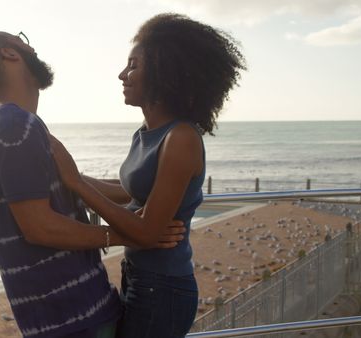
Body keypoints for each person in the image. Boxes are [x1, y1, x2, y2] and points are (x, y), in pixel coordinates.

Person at [0, 29, 185, 338]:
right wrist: (130, 235)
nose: (31, 46)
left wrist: (160, 194)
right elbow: (41, 226)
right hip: (71, 319)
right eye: (21, 38)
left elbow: (68, 182)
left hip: (79, 312)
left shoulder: (18, 124)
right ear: (9, 53)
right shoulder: (15, 126)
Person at [49, 13, 246, 337]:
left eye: (133, 65)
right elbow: (130, 193)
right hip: (140, 276)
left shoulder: (180, 138)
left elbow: (146, 233)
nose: (121, 75)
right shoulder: (148, 132)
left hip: (163, 289)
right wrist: (68, 176)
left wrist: (76, 183)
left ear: (162, 72)